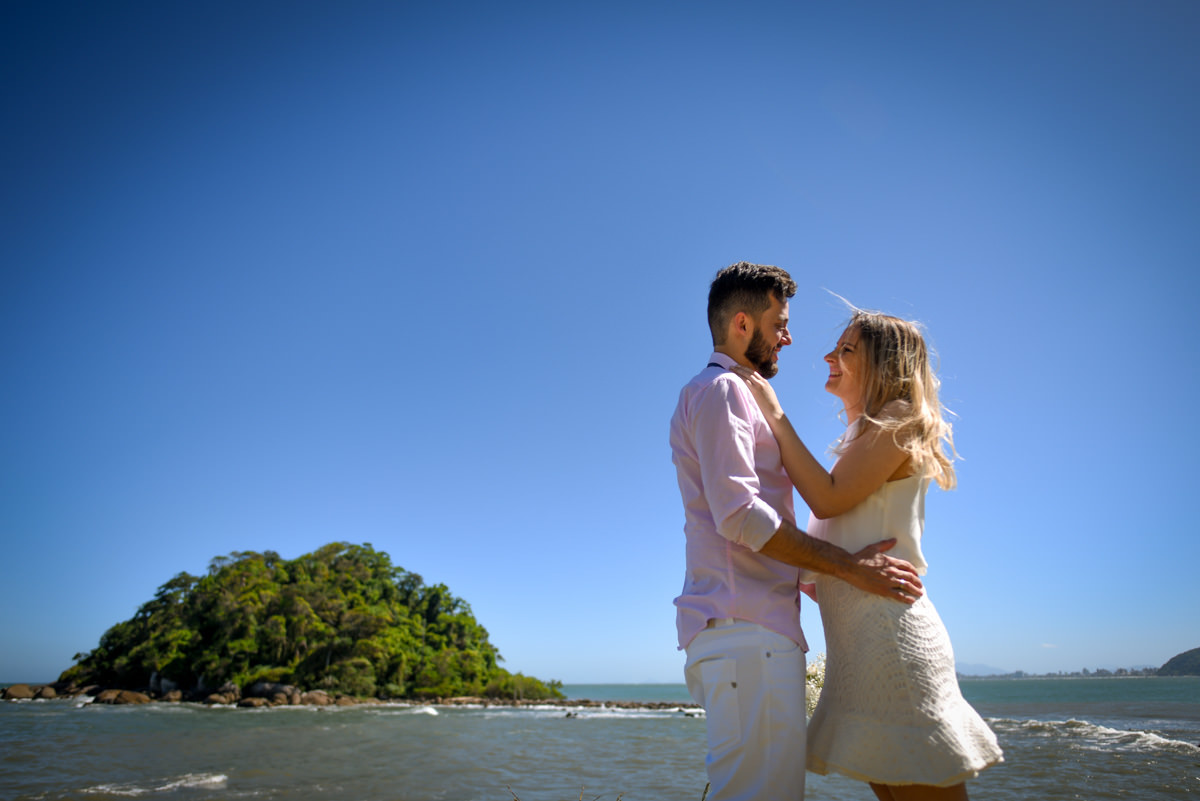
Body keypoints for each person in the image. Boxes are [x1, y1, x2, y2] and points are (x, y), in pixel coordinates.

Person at [670, 263, 928, 801]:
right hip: (748, 632)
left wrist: (825, 576)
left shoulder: (732, 393)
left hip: (752, 634)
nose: (789, 336)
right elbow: (739, 513)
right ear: (743, 324)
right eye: (779, 322)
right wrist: (850, 568)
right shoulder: (725, 391)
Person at [730, 306, 1003, 801]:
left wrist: (773, 414)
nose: (829, 356)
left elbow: (828, 496)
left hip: (892, 643)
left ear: (885, 365)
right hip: (860, 651)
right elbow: (822, 571)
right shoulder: (858, 439)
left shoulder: (901, 416)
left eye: (847, 350)